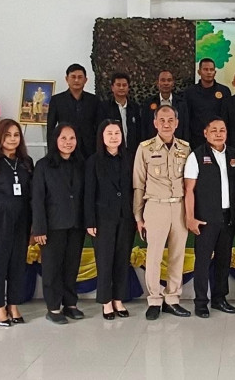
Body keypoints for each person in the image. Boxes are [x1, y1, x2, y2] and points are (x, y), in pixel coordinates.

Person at [133, 105, 191, 320]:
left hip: (179, 207)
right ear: (155, 123)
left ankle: (172, 298)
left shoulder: (185, 148)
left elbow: (190, 183)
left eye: (170, 120)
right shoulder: (145, 148)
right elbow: (138, 184)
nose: (166, 124)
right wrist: (138, 216)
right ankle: (154, 300)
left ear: (177, 123)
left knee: (177, 254)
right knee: (154, 256)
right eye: (162, 120)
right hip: (155, 206)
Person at [184, 117, 235, 318]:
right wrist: (190, 217)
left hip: (229, 218)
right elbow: (188, 190)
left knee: (224, 260)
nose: (218, 134)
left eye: (222, 130)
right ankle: (201, 302)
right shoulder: (196, 156)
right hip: (205, 219)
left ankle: (219, 299)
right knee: (202, 261)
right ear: (205, 133)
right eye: (214, 130)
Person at [0, 119, 33, 327]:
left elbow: (30, 194)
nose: (12, 139)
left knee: (18, 264)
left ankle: (13, 305)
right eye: (8, 135)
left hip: (21, 218)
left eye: (16, 135)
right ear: (0, 137)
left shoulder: (26, 162)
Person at [31, 124, 86, 324]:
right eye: (63, 138)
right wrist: (39, 228)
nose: (68, 142)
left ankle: (70, 304)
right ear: (55, 140)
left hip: (76, 224)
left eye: (72, 138)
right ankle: (53, 308)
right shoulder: (43, 165)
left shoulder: (81, 164)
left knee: (72, 266)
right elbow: (37, 199)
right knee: (52, 268)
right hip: (52, 225)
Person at [85, 120, 136, 320]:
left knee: (122, 259)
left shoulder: (129, 158)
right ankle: (106, 302)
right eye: (109, 133)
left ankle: (118, 299)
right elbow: (89, 193)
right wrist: (90, 221)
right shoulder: (93, 161)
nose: (114, 137)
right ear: (102, 137)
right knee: (105, 260)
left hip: (126, 217)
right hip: (102, 219)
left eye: (117, 133)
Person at [46, 64, 100, 158]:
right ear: (67, 79)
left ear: (85, 80)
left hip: (89, 149)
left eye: (80, 77)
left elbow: (99, 126)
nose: (76, 80)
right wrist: (51, 151)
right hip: (65, 147)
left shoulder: (94, 100)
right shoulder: (57, 100)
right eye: (73, 77)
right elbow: (51, 128)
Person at [185, 58, 231, 149]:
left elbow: (227, 117)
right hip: (196, 140)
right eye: (205, 69)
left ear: (215, 72)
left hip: (218, 139)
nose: (209, 72)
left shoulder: (224, 91)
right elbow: (187, 118)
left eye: (211, 69)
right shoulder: (190, 92)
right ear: (199, 72)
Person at [98, 72, 141, 154]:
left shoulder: (135, 107)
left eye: (124, 85)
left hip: (133, 151)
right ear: (112, 87)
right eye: (118, 85)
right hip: (112, 151)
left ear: (128, 87)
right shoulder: (104, 107)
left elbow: (139, 131)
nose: (121, 88)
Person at [141, 70, 189, 141]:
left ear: (173, 83)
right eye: (163, 80)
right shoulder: (148, 103)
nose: (166, 83)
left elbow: (185, 128)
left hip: (176, 144)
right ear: (157, 83)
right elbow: (144, 128)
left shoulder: (181, 103)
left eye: (169, 80)